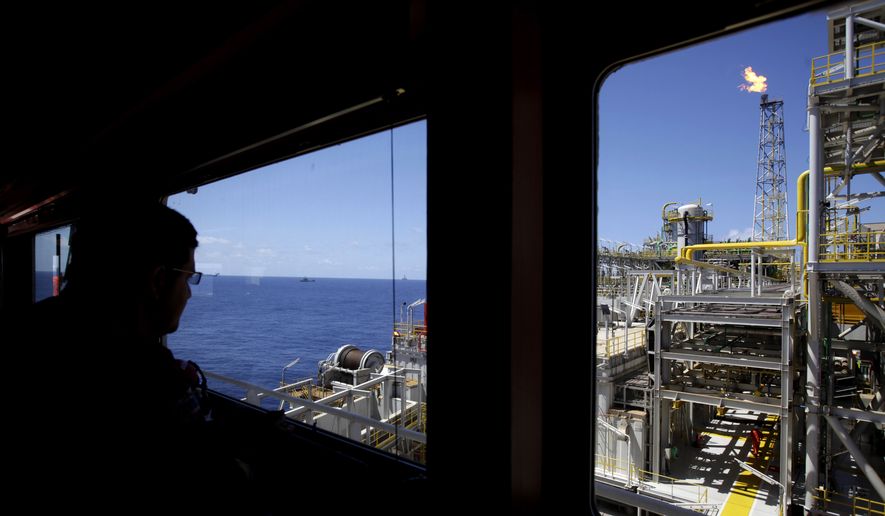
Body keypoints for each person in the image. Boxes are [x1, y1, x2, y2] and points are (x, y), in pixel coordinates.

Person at [5, 198, 258, 514]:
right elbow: (220, 486)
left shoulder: (27, 330)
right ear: (157, 281)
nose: (190, 292)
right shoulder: (150, 376)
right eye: (187, 277)